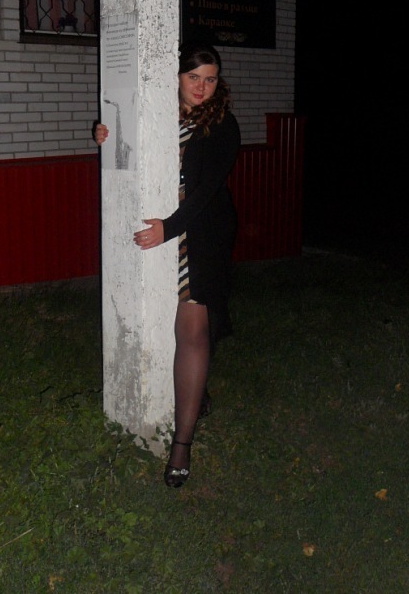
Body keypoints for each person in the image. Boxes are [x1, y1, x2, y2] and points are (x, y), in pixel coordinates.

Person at [95, 41, 240, 487]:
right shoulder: (156, 113)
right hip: (165, 227)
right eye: (193, 77)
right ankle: (200, 393)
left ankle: (181, 444)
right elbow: (130, 151)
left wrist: (169, 228)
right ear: (177, 77)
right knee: (184, 326)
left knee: (191, 330)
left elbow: (206, 191)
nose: (201, 87)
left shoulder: (222, 124)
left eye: (210, 79)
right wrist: (105, 135)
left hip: (201, 232)